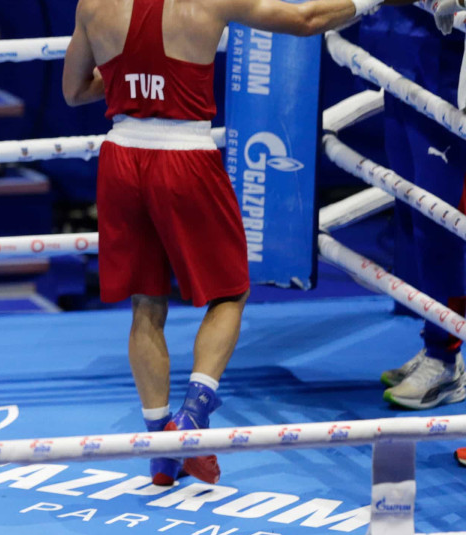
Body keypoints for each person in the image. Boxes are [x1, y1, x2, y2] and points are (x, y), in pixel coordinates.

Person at [63, 0, 389, 485]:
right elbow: (307, 20)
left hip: (122, 156)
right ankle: (192, 418)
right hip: (184, 157)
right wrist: (371, 1)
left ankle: (160, 447)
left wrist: (125, 80)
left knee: (145, 304)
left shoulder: (93, 5)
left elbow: (73, 92)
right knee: (230, 292)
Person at [358, 5, 466, 410]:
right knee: (410, 210)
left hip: (444, 61)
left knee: (439, 222)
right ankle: (436, 341)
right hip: (401, 47)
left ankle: (445, 357)